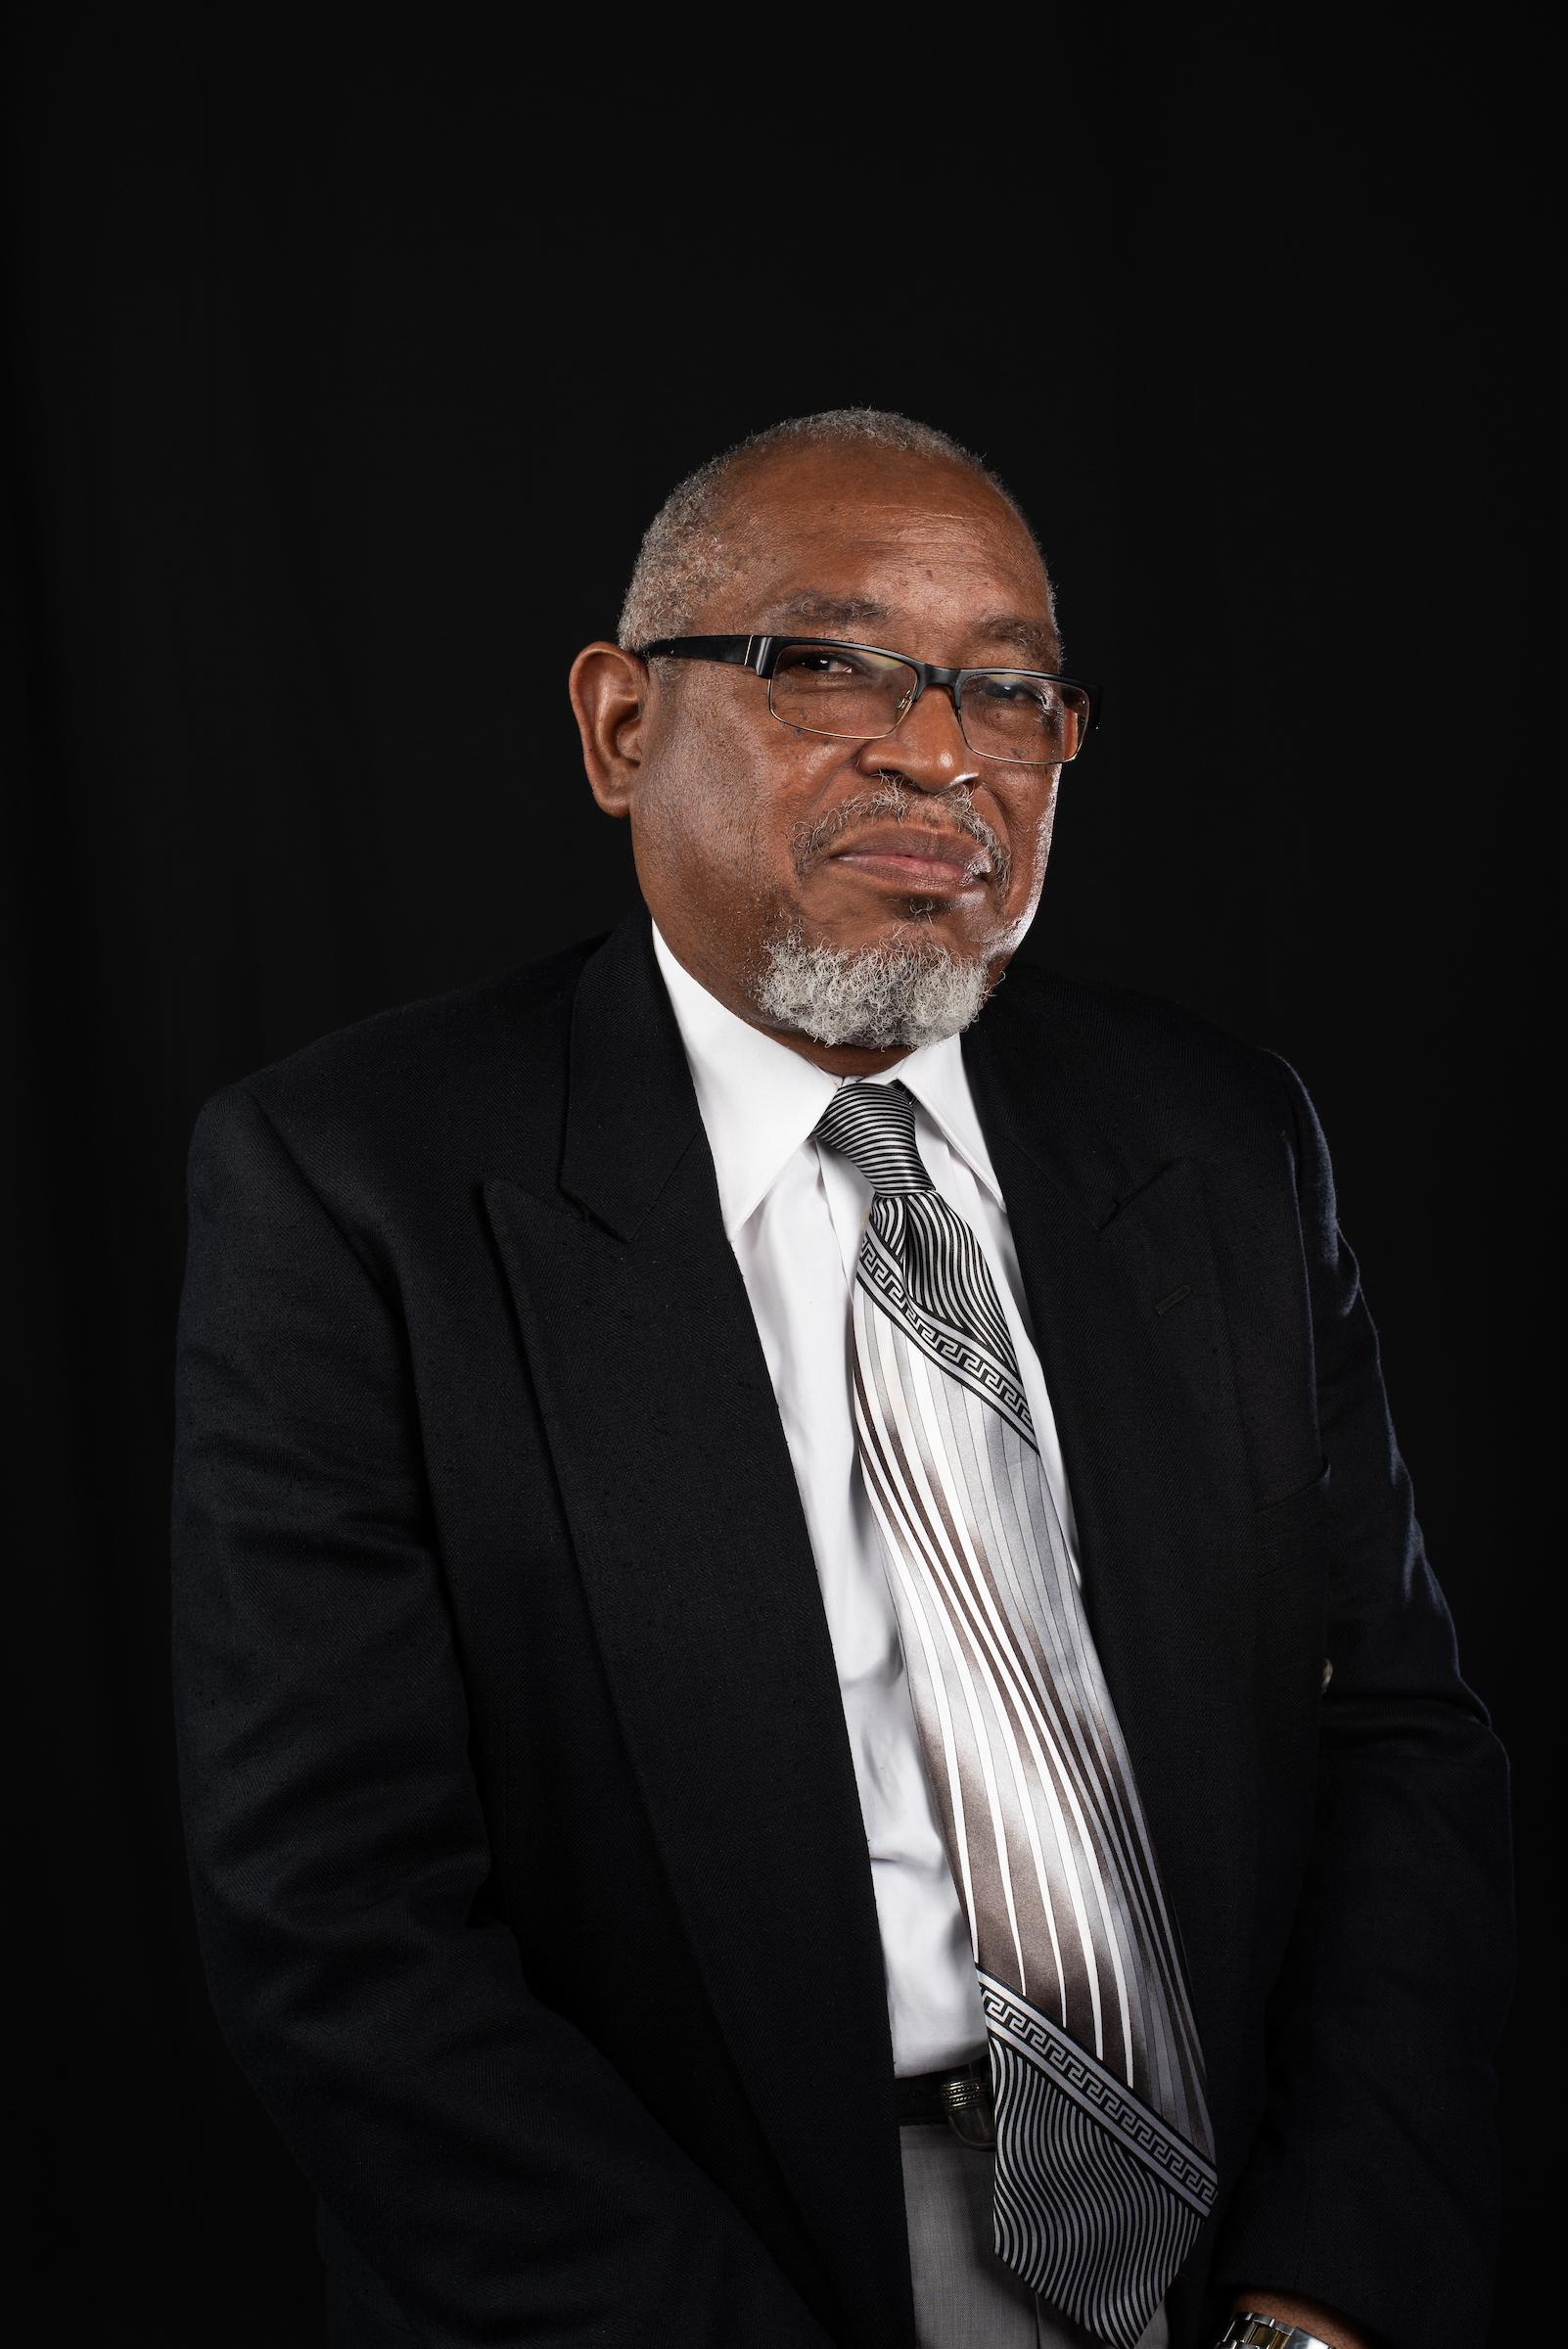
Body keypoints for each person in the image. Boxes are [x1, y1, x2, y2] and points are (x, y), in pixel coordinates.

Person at [170, 409, 1512, 2349]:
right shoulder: (354, 1185)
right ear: (622, 726)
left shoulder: (1222, 1144)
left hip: (1225, 2234)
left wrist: (1328, 2289)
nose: (938, 749)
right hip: (693, 2255)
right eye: (829, 664)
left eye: (1012, 688)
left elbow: (1401, 1747)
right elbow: (335, 1920)